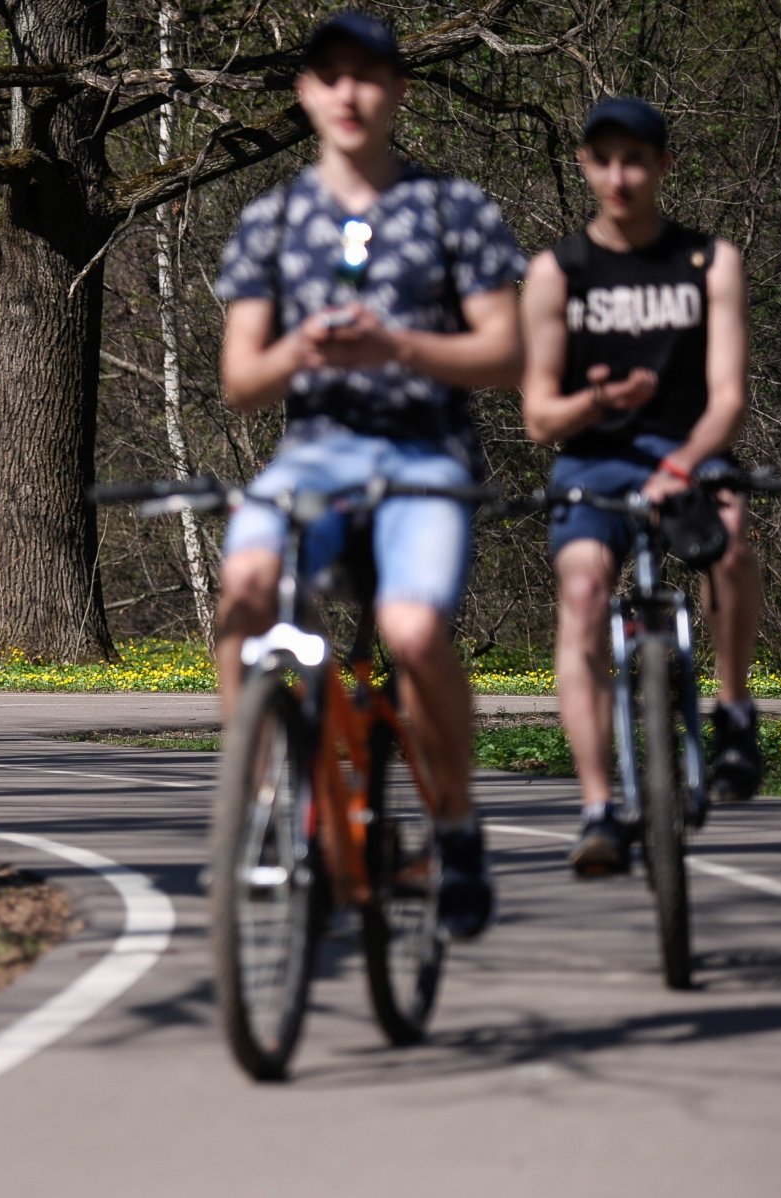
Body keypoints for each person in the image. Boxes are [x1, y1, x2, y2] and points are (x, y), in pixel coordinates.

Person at [213, 11, 525, 939]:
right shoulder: (271, 220)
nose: (349, 93)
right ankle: (263, 800)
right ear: (306, 91)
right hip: (313, 456)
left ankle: (458, 828)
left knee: (413, 626)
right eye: (330, 75)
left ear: (397, 92)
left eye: (369, 76)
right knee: (245, 589)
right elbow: (239, 380)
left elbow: (505, 352)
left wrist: (397, 343)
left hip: (425, 454)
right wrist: (302, 348)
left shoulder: (453, 208)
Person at [521, 97, 761, 876]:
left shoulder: (708, 261)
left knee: (729, 540)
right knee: (584, 595)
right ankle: (598, 808)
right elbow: (538, 418)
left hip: (689, 452)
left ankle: (732, 712)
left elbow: (728, 397)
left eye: (636, 160)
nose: (620, 176)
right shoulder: (558, 272)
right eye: (605, 160)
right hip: (592, 462)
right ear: (586, 166)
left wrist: (681, 467)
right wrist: (596, 401)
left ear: (662, 165)